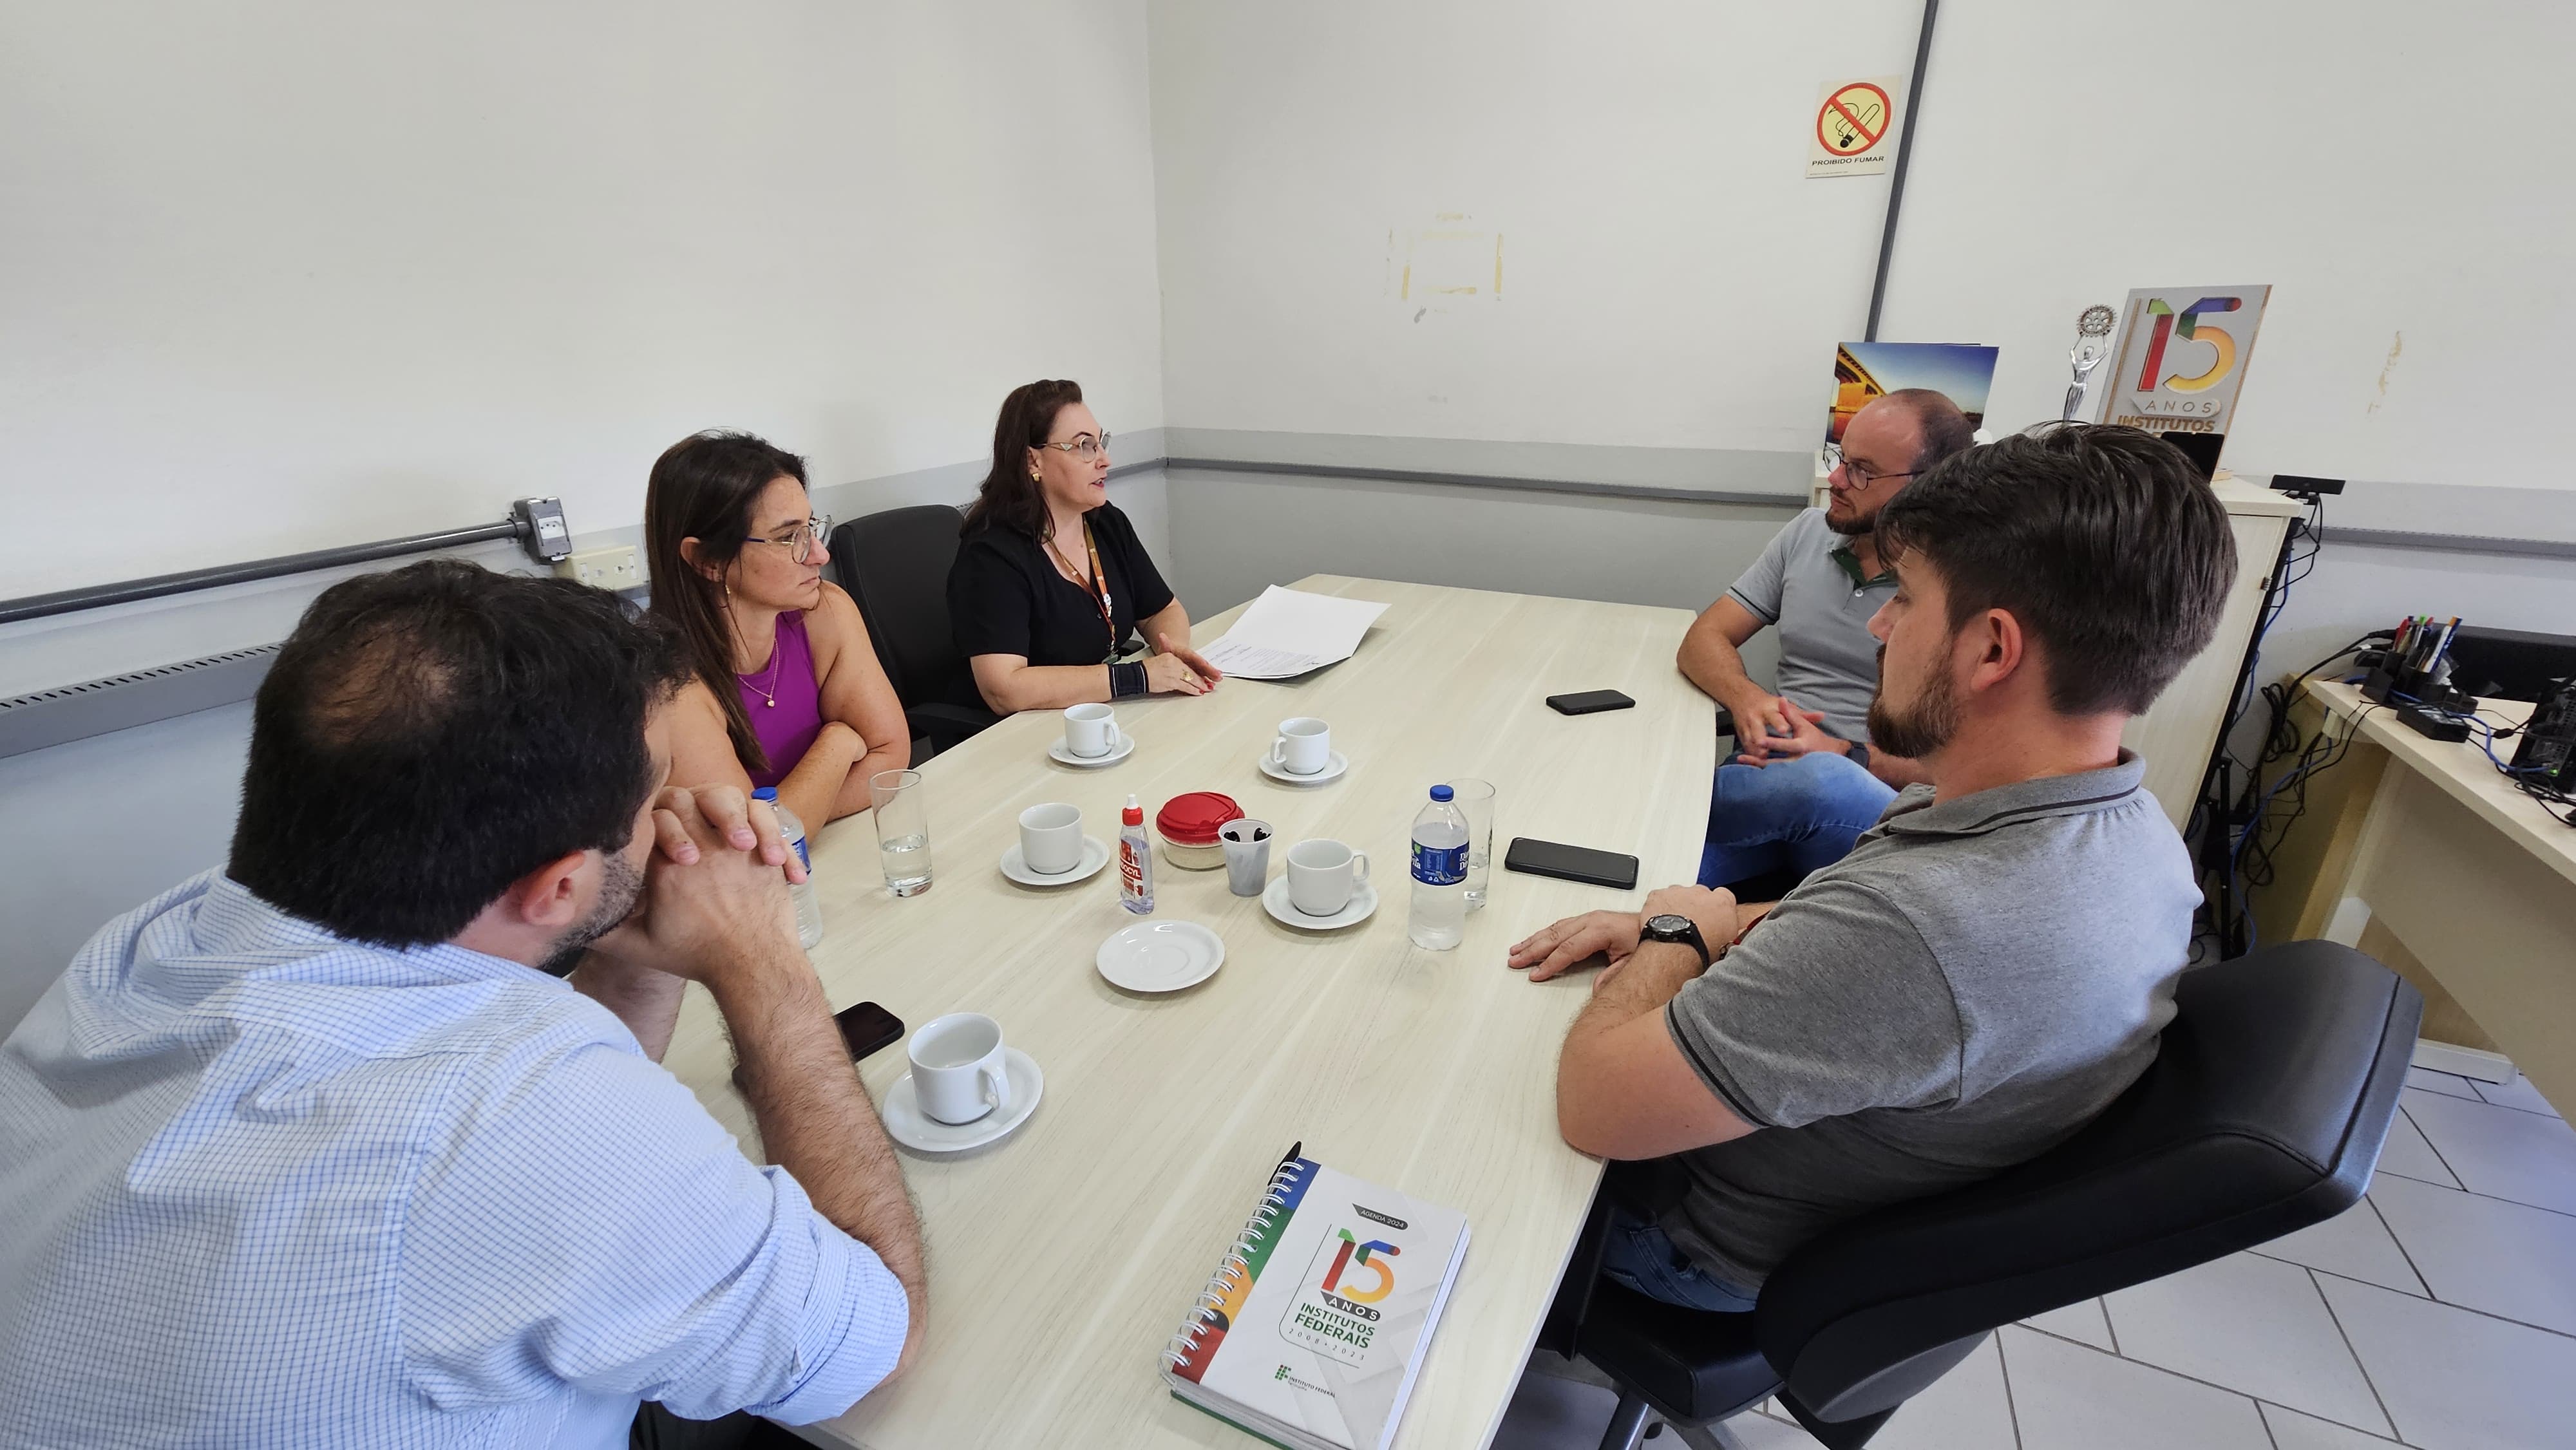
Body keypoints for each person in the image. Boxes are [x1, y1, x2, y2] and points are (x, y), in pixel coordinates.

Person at [0, 561, 925, 1447]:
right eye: (653, 802)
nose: (670, 821)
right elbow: (869, 1347)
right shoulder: (510, 1117)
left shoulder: (142, 946)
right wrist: (760, 959)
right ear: (556, 887)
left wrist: (636, 936)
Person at [1511, 423, 2236, 1310]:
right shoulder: (2132, 830)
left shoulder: (1921, 927)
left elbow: (1594, 1107)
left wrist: (1671, 933)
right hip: (1846, 1189)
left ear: (1992, 648)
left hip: (1686, 1237)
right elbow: (1835, 933)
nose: (1880, 624)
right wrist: (1711, 925)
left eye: (1907, 599)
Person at [1676, 389, 1975, 889]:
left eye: (1862, 471)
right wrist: (1749, 701)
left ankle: (1655, 791)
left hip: (1872, 800)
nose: (1835, 480)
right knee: (1646, 876)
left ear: (1930, 485)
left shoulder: (1961, 584)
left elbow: (1972, 771)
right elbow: (1703, 638)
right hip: (1767, 779)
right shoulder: (1808, 533)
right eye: (1840, 458)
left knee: (1821, 780)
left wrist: (1843, 752)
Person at [647, 429, 911, 832]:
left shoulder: (824, 611)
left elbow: (889, 759)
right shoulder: (669, 686)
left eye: (811, 528)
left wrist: (793, 816)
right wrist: (837, 743)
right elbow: (749, 842)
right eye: (789, 538)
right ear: (706, 561)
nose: (820, 554)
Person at [947, 379, 1222, 712]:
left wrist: (1172, 652)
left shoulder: (1105, 522)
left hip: (1105, 712)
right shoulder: (992, 554)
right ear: (1033, 461)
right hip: (1029, 729)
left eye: (1101, 442)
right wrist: (1137, 677)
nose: (1104, 459)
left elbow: (1162, 611)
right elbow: (1004, 689)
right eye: (1084, 446)